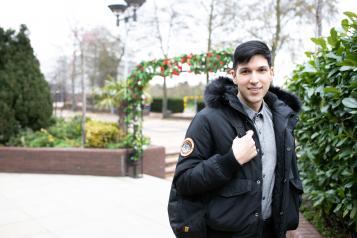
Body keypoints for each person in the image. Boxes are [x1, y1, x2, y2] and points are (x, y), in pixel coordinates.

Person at [168, 40, 303, 238]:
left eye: (261, 70)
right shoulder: (208, 119)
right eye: (246, 71)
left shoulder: (283, 119)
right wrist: (229, 160)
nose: (254, 79)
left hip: (272, 231)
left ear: (271, 73)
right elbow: (184, 182)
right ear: (234, 75)